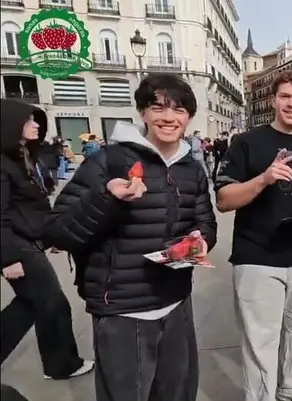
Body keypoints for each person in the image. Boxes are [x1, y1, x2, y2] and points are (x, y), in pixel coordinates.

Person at [45, 73, 217, 401]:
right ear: (142, 112)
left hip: (176, 301)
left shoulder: (191, 168)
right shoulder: (107, 161)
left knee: (178, 393)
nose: (169, 117)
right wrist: (107, 199)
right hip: (122, 309)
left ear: (189, 117)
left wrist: (200, 240)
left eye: (179, 110)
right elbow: (57, 231)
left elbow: (206, 222)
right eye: (159, 108)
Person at [215, 70, 292, 401]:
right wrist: (264, 179)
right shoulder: (247, 143)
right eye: (285, 97)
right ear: (274, 101)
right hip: (257, 258)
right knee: (260, 339)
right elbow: (224, 200)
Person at [0, 99, 94, 380]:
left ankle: (60, 363)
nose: (36, 125)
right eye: (29, 121)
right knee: (52, 304)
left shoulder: (21, 158)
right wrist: (8, 258)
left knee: (32, 304)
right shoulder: (2, 165)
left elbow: (30, 208)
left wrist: (48, 235)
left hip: (28, 242)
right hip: (17, 247)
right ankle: (62, 365)